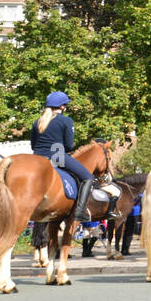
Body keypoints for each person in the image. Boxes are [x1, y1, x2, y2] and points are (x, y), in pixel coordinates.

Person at [30, 91, 109, 222]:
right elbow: (68, 146)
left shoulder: (37, 122)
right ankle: (79, 211)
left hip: (37, 157)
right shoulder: (66, 121)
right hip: (57, 156)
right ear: (62, 106)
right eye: (65, 105)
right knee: (88, 178)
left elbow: (33, 145)